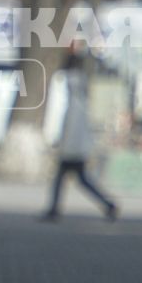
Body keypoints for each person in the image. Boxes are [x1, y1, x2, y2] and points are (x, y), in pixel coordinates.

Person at [40, 48, 118, 222]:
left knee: (70, 178)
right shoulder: (80, 91)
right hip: (76, 145)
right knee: (76, 179)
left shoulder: (69, 88)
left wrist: (59, 141)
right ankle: (106, 205)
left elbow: (67, 121)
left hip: (71, 147)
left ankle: (55, 210)